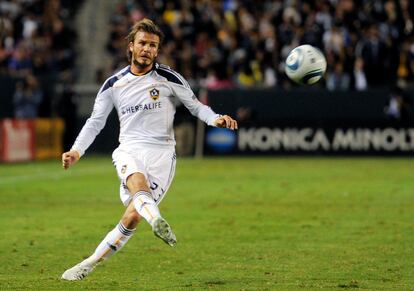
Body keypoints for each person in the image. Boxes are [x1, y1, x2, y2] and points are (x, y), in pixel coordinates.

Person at [60, 18, 238, 281]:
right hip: (129, 149)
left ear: (157, 50)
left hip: (162, 155)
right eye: (142, 43)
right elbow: (95, 121)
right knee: (138, 186)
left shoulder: (168, 77)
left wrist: (216, 118)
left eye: (153, 45)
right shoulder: (113, 84)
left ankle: (89, 263)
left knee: (132, 215)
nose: (147, 49)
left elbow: (196, 106)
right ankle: (156, 220)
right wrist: (76, 150)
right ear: (131, 46)